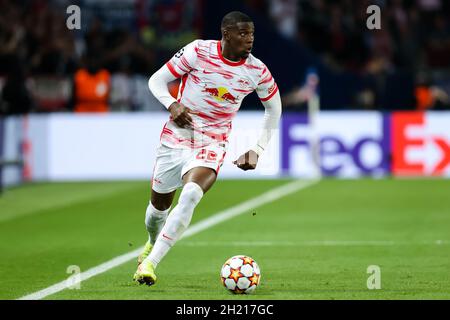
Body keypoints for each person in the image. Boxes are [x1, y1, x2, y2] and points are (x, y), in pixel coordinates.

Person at [133, 11, 282, 286]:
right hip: (176, 137)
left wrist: (258, 149)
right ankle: (152, 243)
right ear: (226, 34)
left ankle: (150, 264)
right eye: (243, 34)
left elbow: (274, 108)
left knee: (190, 194)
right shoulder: (198, 51)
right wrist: (172, 104)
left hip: (212, 142)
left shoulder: (256, 71)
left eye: (251, 34)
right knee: (157, 208)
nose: (249, 40)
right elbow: (156, 81)